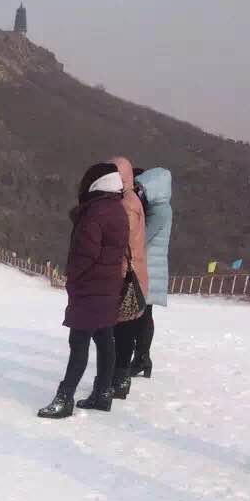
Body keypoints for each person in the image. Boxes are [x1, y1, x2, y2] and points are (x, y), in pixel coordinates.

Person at [38, 162, 129, 418]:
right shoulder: (117, 209)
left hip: (90, 288)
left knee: (79, 343)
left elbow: (84, 254)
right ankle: (102, 394)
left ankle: (65, 398)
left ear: (94, 183)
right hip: (109, 285)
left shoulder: (95, 212)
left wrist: (72, 278)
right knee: (104, 339)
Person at [108, 156, 150, 399]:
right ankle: (118, 377)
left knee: (122, 330)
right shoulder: (132, 198)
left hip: (127, 275)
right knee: (123, 328)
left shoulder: (125, 203)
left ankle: (119, 379)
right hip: (135, 272)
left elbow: (124, 244)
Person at [127, 166, 172, 381]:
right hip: (148, 266)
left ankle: (142, 358)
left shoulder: (160, 210)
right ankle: (141, 358)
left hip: (150, 269)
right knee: (142, 315)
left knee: (143, 316)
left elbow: (142, 238)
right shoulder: (158, 207)